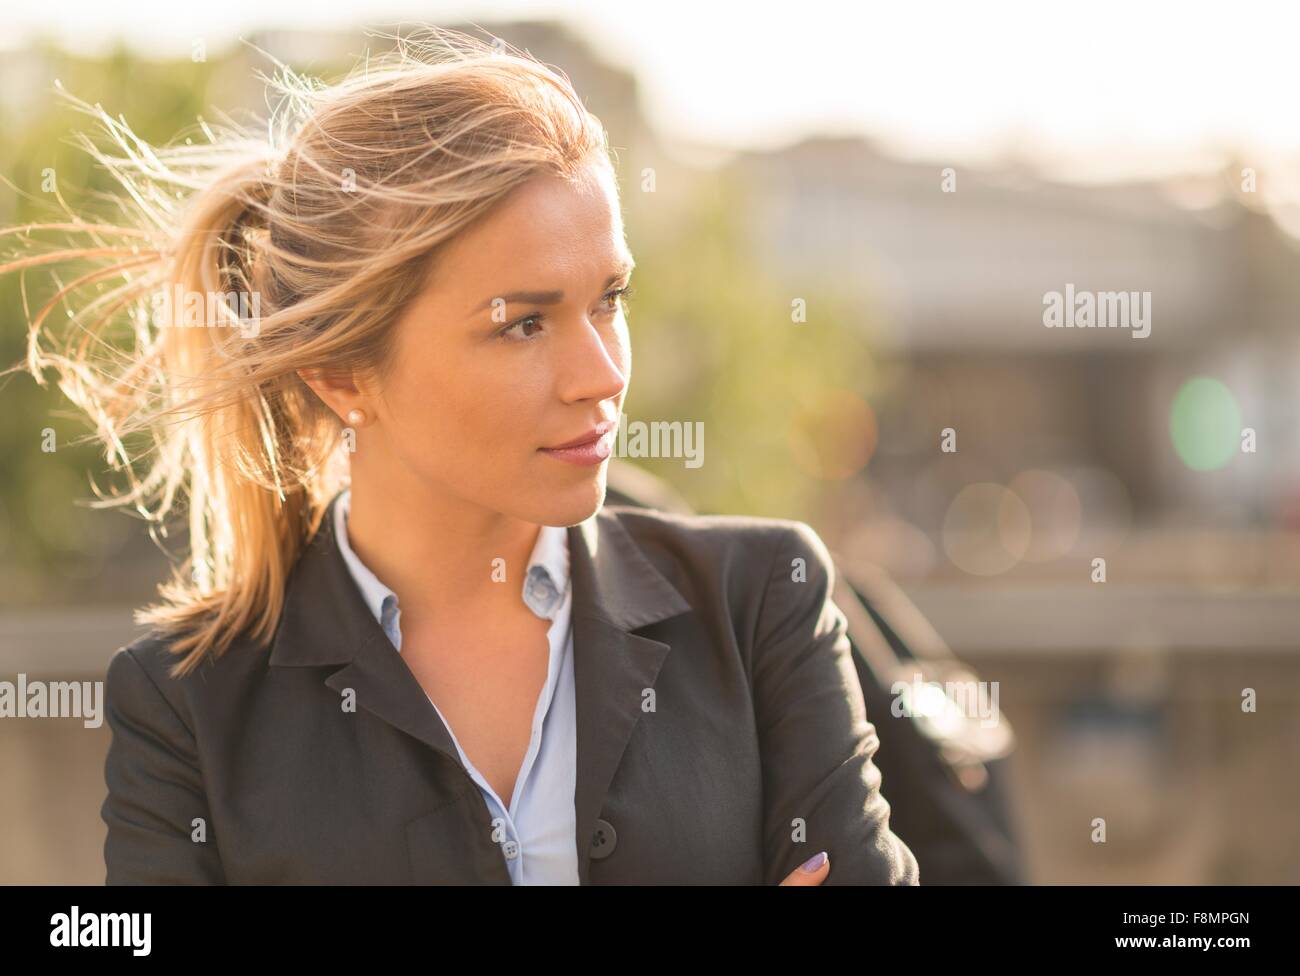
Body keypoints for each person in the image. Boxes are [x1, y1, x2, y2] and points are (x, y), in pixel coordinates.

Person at [2, 27, 918, 885]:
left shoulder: (762, 602)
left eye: (609, 299)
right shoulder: (185, 708)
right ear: (341, 375)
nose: (600, 375)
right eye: (523, 324)